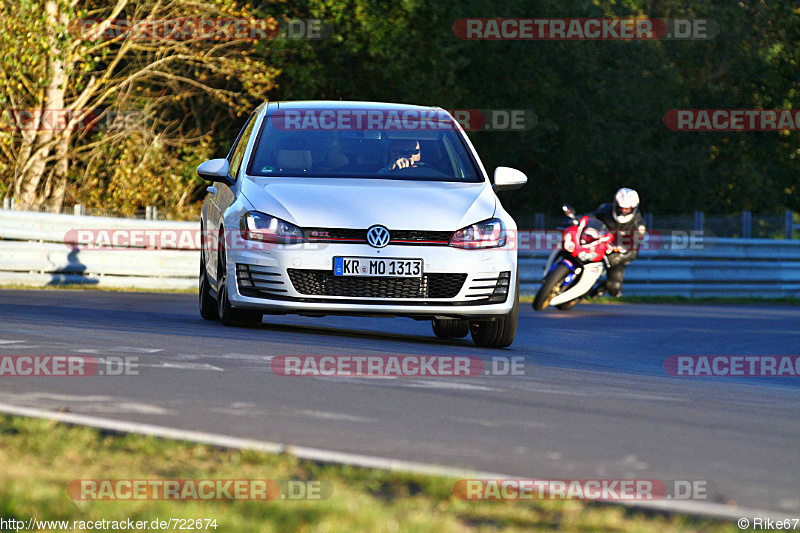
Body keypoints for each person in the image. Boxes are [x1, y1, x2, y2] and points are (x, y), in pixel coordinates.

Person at [590, 187, 646, 297]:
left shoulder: (638, 225)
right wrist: (578, 219)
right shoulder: (605, 209)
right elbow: (591, 216)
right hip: (597, 244)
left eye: (627, 209)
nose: (623, 211)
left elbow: (633, 252)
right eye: (620, 208)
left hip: (617, 253)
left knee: (614, 289)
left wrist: (618, 257)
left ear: (633, 208)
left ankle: (600, 289)